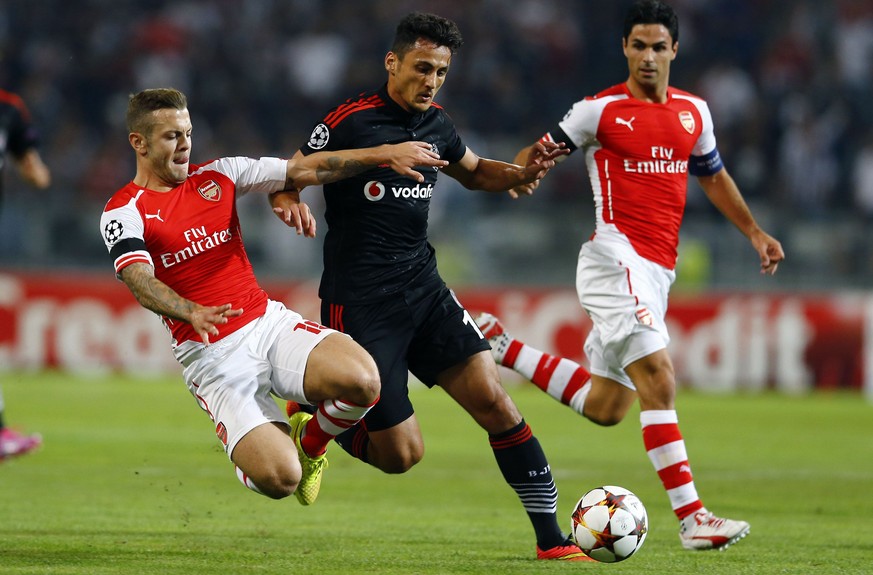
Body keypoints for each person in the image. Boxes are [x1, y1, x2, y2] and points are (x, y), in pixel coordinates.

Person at [273, 12, 588, 561]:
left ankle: (551, 540)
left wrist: (517, 173)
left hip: (424, 288)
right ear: (393, 63)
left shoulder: (438, 124)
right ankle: (316, 425)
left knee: (494, 400)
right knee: (401, 455)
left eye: (441, 71)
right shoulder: (352, 119)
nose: (432, 81)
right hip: (362, 303)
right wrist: (296, 194)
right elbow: (291, 172)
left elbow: (473, 170)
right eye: (422, 68)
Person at [475, 0, 785, 552]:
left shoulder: (695, 113)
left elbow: (713, 177)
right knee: (660, 377)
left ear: (674, 51)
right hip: (614, 259)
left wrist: (755, 233)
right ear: (624, 48)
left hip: (655, 273)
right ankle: (693, 519)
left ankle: (502, 347)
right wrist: (527, 171)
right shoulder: (599, 111)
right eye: (638, 45)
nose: (648, 56)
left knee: (607, 407)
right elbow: (541, 149)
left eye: (658, 47)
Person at [99, 88, 448, 505]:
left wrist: (383, 153)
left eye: (188, 132)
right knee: (282, 479)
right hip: (212, 356)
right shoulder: (124, 211)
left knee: (364, 380)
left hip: (266, 323)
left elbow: (302, 169)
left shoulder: (220, 175)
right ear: (138, 142)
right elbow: (138, 278)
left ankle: (311, 441)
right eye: (171, 136)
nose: (186, 143)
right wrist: (189, 310)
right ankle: (259, 458)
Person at [0, 87, 51, 462]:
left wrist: (37, 173)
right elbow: (36, 173)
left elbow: (35, 174)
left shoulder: (11, 108)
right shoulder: (8, 108)